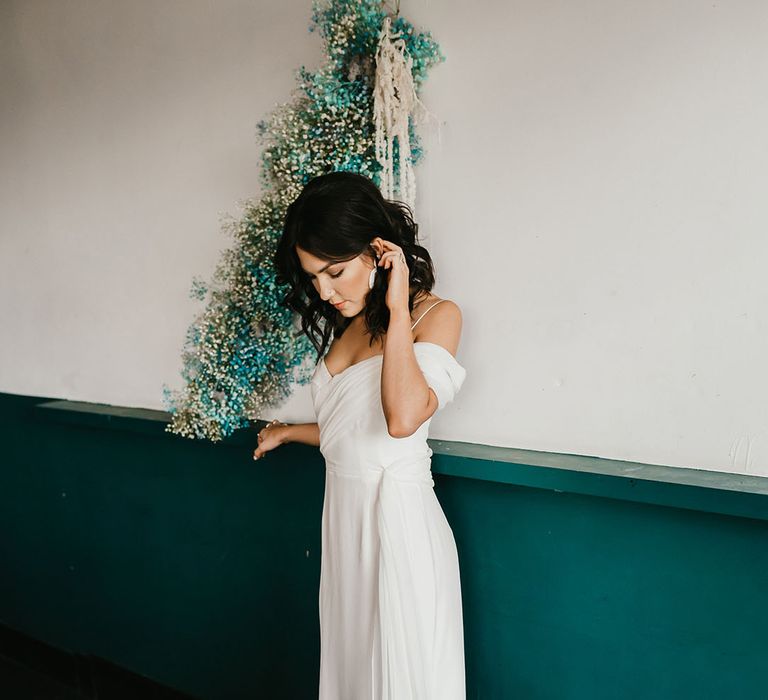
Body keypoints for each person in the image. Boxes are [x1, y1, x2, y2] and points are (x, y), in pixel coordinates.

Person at [256, 171, 467, 699]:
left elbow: (400, 419)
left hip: (397, 524)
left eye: (334, 271)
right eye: (314, 278)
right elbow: (350, 432)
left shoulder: (437, 317)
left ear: (379, 251)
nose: (324, 291)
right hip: (345, 525)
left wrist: (398, 309)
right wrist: (288, 432)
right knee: (354, 674)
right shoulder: (348, 321)